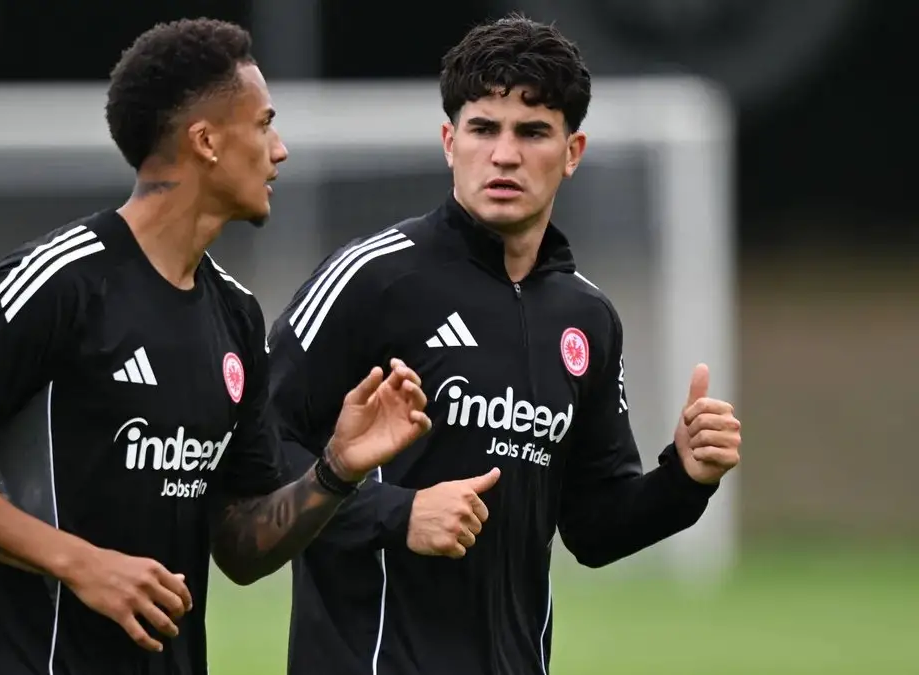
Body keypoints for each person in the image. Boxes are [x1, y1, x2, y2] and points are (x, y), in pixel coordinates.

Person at [0, 17, 431, 675]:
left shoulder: (236, 315)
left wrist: (335, 469)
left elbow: (240, 547)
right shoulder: (59, 283)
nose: (279, 150)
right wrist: (81, 563)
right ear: (206, 141)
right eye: (263, 125)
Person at [265, 13, 742, 675]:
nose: (505, 154)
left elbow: (596, 527)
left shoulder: (587, 319)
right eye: (484, 128)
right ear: (449, 141)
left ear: (572, 152)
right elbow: (258, 445)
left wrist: (685, 478)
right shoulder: (373, 279)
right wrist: (398, 512)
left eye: (533, 131)